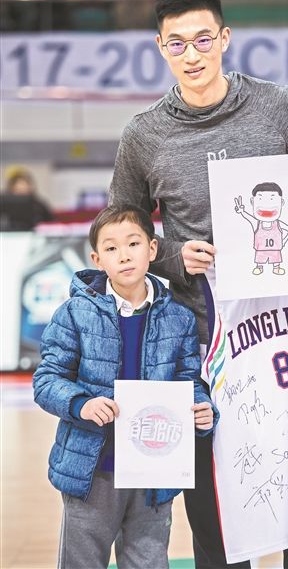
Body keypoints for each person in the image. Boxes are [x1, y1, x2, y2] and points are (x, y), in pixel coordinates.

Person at [109, 0, 288, 568]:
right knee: (215, 510)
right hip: (201, 341)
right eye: (176, 43)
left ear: (224, 38)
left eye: (202, 40)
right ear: (160, 47)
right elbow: (123, 232)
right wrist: (173, 256)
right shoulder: (143, 135)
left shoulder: (277, 105)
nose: (191, 55)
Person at [33, 204, 218, 569]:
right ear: (97, 259)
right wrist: (81, 404)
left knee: (148, 562)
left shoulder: (179, 318)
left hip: (154, 472)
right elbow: (46, 380)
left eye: (133, 244)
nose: (124, 255)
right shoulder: (73, 313)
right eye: (111, 248)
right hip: (92, 471)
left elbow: (188, 380)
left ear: (152, 249)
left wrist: (202, 408)